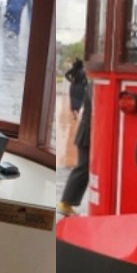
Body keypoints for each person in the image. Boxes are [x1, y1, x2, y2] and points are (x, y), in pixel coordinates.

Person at [58, 89, 92, 217]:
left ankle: (67, 202)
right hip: (86, 135)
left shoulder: (92, 85)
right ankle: (66, 202)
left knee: (84, 167)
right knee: (83, 167)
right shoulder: (95, 85)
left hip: (86, 134)